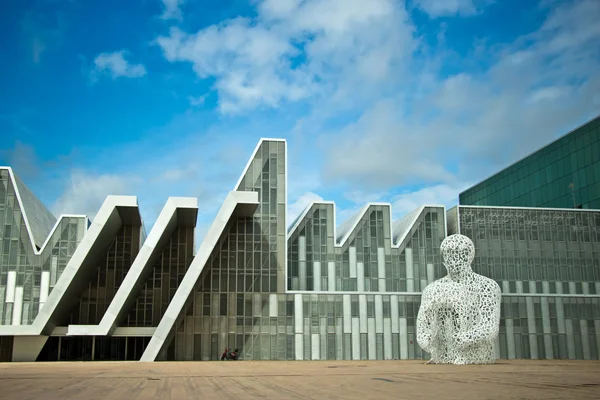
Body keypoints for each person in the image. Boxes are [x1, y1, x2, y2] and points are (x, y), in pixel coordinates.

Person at [417, 234, 501, 365]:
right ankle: (445, 355)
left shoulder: (486, 286)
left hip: (477, 357)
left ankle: (462, 354)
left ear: (469, 255)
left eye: (458, 254)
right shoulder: (433, 289)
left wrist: (463, 339)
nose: (452, 260)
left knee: (462, 303)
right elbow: (424, 323)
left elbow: (490, 328)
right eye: (448, 254)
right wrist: (426, 340)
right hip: (443, 357)